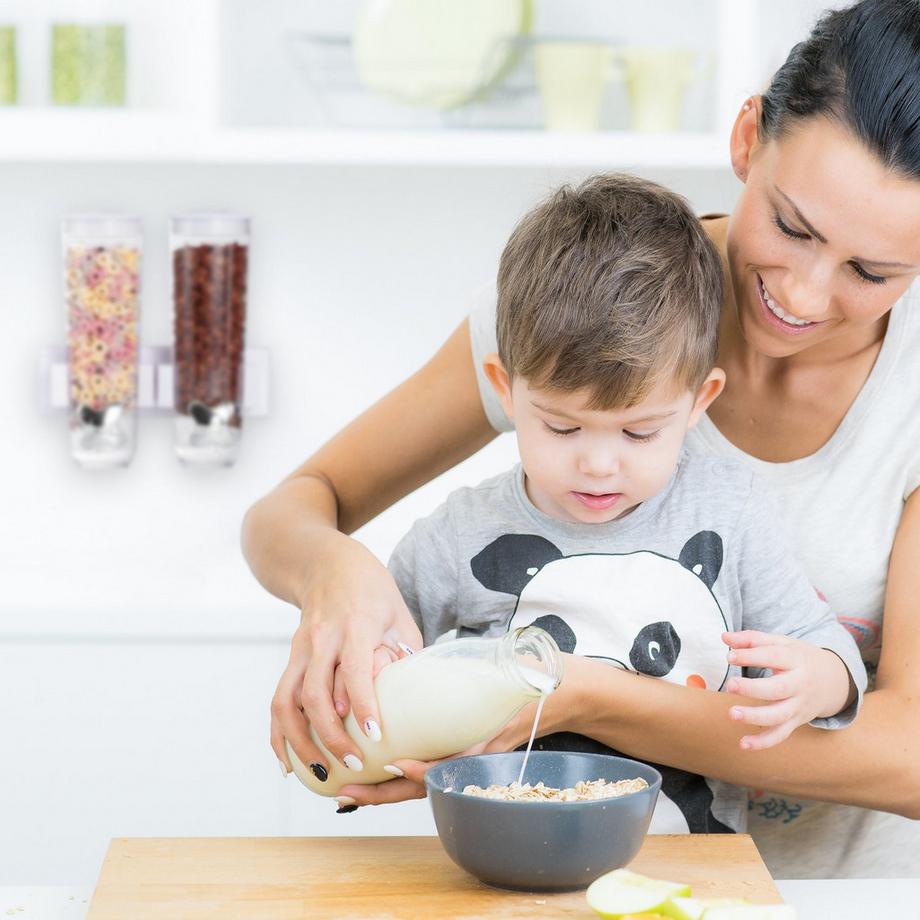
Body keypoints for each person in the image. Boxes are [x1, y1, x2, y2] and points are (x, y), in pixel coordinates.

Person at [243, 0, 920, 878]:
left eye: (874, 272)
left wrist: (573, 698)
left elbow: (910, 752)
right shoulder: (579, 311)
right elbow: (294, 509)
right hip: (564, 882)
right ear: (749, 137)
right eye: (792, 225)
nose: (806, 293)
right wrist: (335, 575)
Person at [384, 173, 867, 836]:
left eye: (641, 432)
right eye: (562, 427)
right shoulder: (462, 535)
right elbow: (377, 647)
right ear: (504, 388)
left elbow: (823, 643)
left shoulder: (730, 515)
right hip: (502, 851)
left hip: (691, 864)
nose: (599, 463)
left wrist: (819, 678)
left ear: (700, 402)